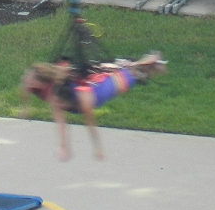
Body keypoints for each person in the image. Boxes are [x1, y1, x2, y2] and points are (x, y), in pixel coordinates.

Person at [20, 53, 166, 161]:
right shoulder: (48, 90)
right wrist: (26, 108)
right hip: (83, 88)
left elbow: (90, 123)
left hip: (97, 93)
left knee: (131, 74)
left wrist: (97, 148)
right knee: (124, 69)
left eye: (30, 80)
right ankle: (142, 63)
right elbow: (60, 124)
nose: (26, 82)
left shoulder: (76, 95)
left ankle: (151, 61)